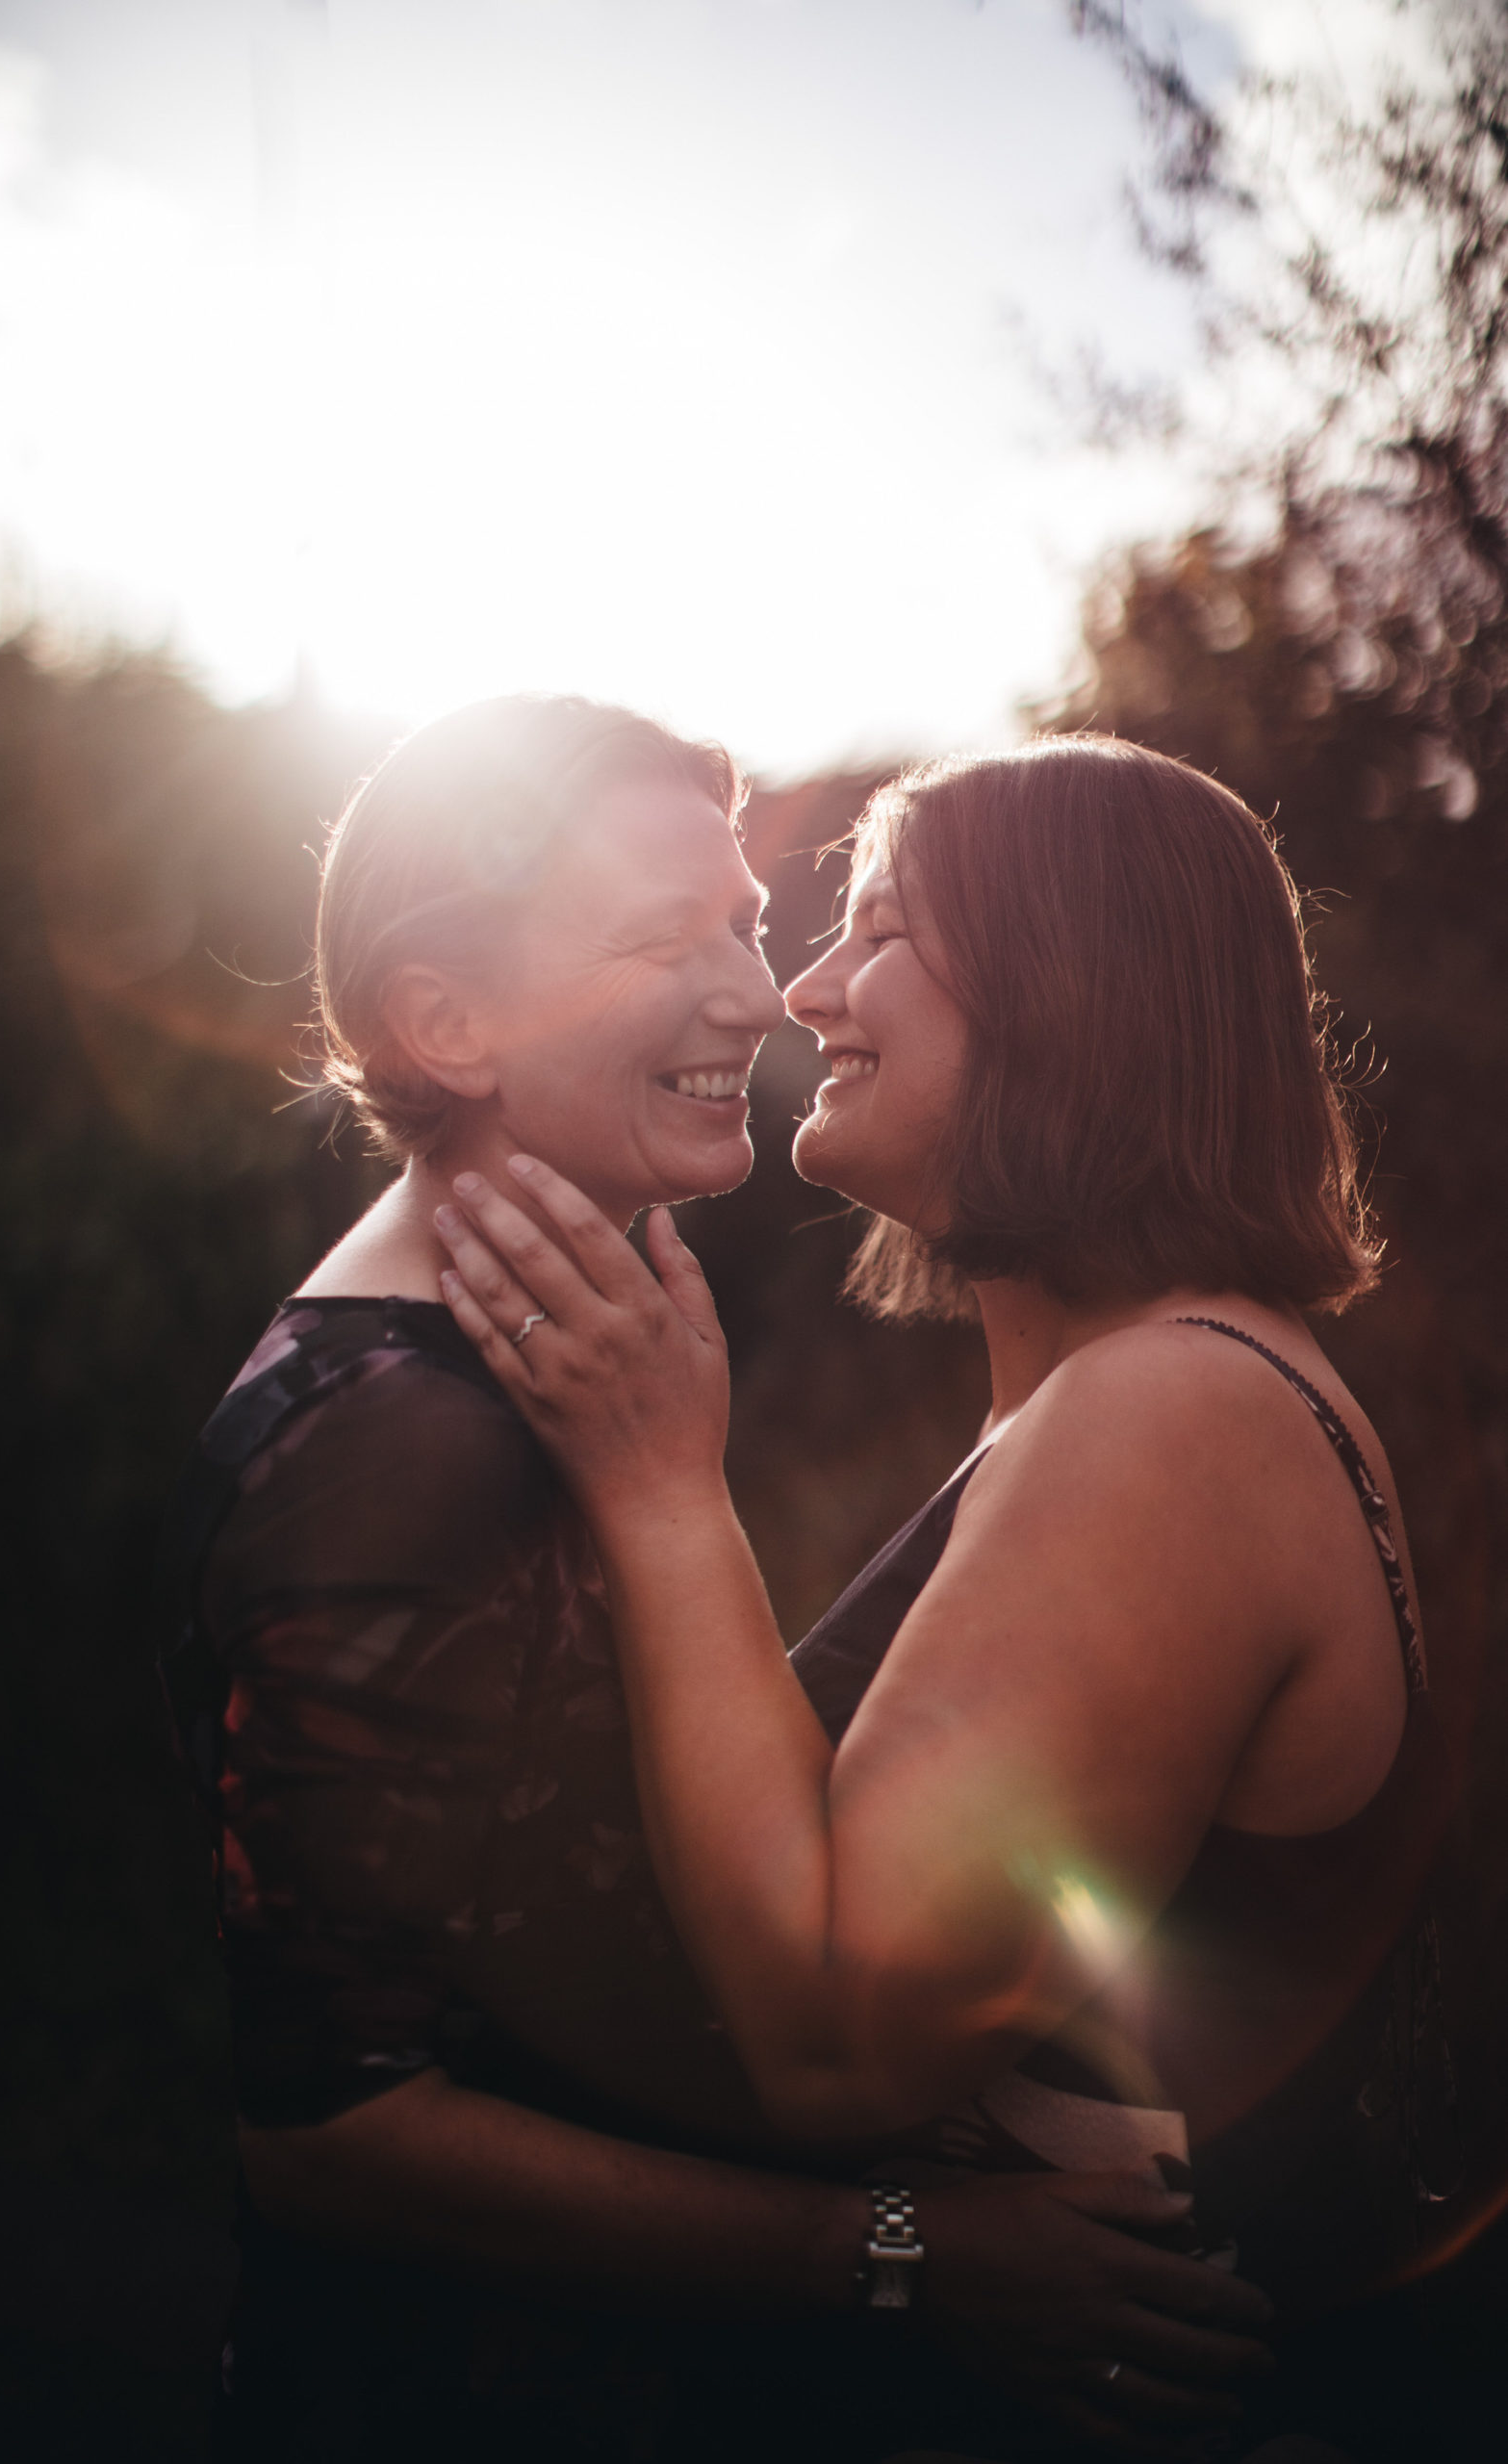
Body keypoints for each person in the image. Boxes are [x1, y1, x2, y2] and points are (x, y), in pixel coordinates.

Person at [162, 702, 1273, 2464]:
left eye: (743, 923)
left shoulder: (583, 1360)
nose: (760, 995)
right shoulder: (393, 1438)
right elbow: (327, 2135)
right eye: (656, 940)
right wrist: (903, 2255)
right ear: (445, 1023)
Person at [435, 736, 1461, 2458]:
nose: (805, 988)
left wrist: (661, 1491)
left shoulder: (1176, 1413)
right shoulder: (1109, 1404)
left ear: (1076, 984)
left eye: (882, 928)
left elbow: (839, 2043)